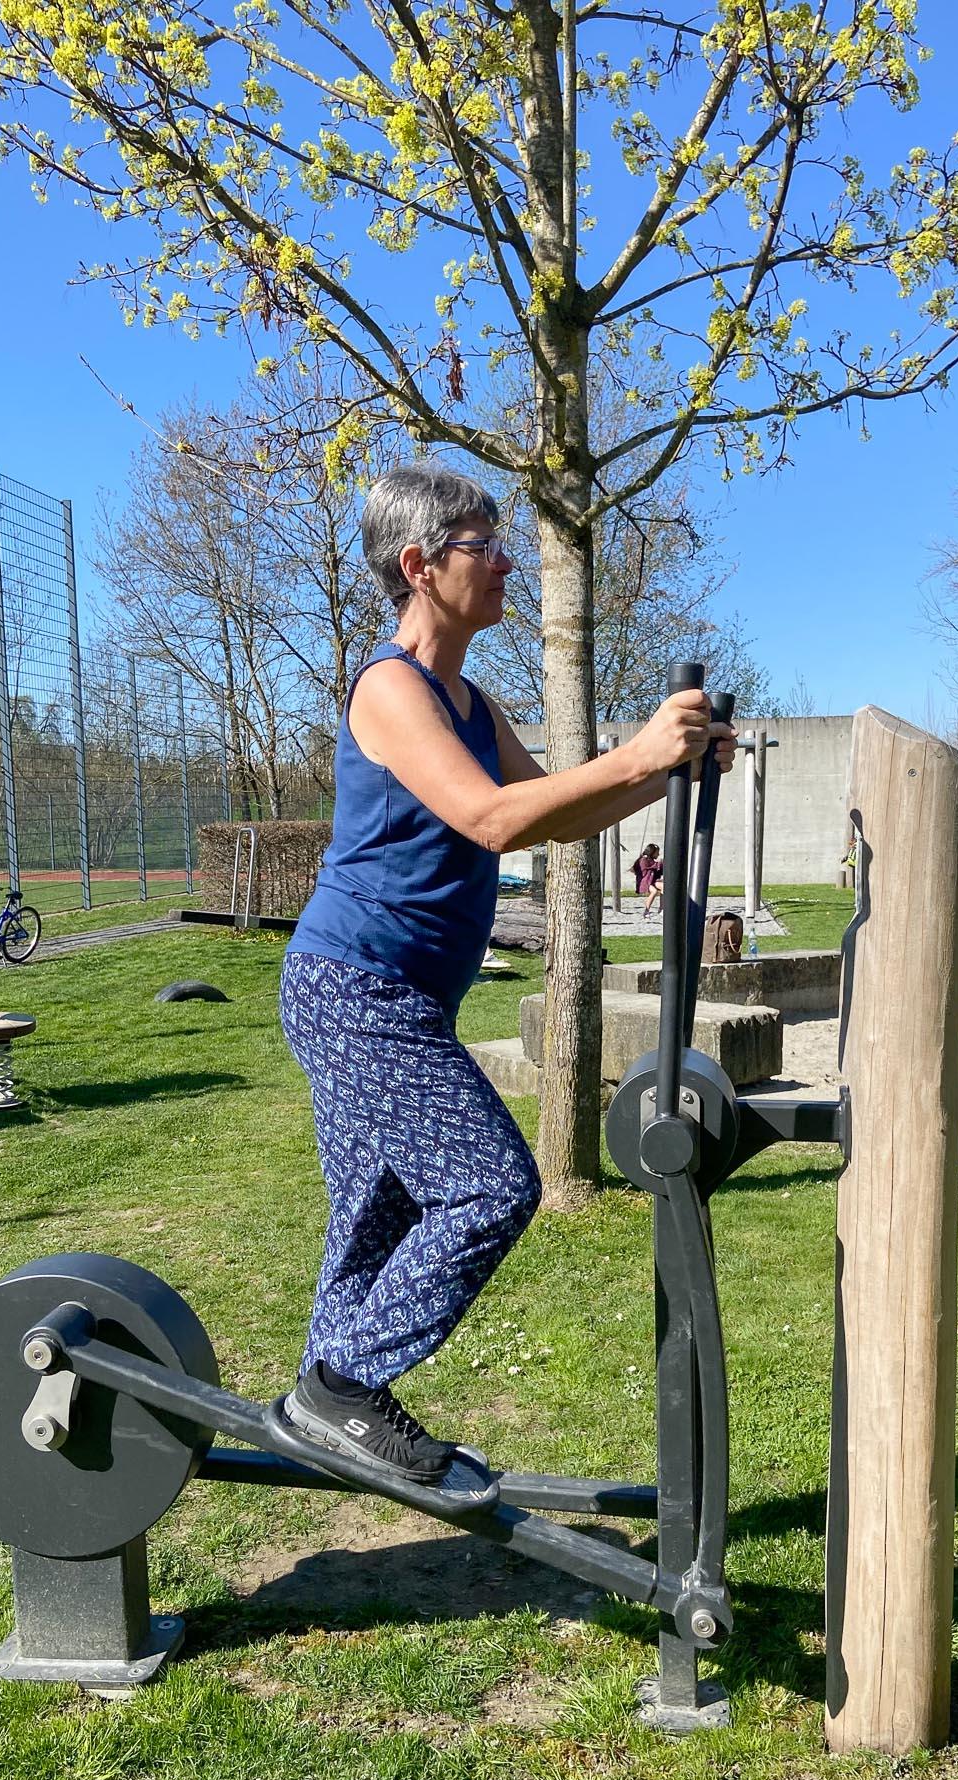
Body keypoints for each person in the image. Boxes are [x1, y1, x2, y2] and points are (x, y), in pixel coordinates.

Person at [280, 461, 735, 1483]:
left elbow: (554, 816)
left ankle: (327, 1393)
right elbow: (487, 818)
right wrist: (640, 754)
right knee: (489, 1185)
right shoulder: (390, 688)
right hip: (355, 987)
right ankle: (341, 1387)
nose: (504, 563)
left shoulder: (472, 702)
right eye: (482, 545)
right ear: (419, 565)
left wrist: (669, 767)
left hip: (393, 995)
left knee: (377, 1211)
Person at [632, 842, 664, 916]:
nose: (658, 854)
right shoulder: (643, 860)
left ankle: (661, 908)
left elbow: (657, 869)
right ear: (652, 852)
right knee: (654, 891)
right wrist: (659, 864)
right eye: (657, 853)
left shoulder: (651, 860)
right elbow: (650, 868)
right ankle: (646, 910)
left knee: (664, 886)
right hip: (645, 882)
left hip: (651, 881)